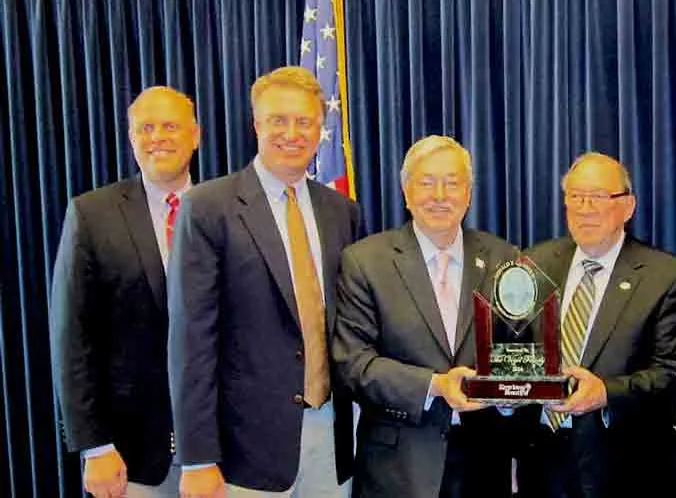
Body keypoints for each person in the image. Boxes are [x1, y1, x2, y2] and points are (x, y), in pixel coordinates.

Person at [168, 67, 364, 497]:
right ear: (256, 124)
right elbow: (191, 339)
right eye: (278, 120)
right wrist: (197, 457)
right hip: (244, 453)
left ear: (320, 128)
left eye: (304, 121)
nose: (291, 133)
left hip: (331, 440)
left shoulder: (341, 212)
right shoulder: (207, 208)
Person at [333, 135, 518, 498]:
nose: (439, 195)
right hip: (398, 468)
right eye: (427, 182)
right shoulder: (365, 261)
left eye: (452, 183)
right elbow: (353, 365)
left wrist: (513, 393)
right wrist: (436, 385)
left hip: (485, 465)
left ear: (468, 194)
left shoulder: (504, 258)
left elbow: (520, 348)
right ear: (406, 192)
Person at [50, 86, 201, 498]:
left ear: (195, 136)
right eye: (145, 128)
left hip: (222, 456)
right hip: (129, 457)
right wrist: (94, 446)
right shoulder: (91, 215)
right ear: (131, 138)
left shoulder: (223, 210)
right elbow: (72, 338)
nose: (158, 138)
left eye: (170, 126)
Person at [514, 153, 676, 497]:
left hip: (622, 467)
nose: (585, 209)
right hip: (539, 460)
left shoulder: (666, 277)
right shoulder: (534, 263)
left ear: (628, 207)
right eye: (576, 197)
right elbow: (513, 345)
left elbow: (670, 375)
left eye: (597, 197)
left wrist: (606, 393)